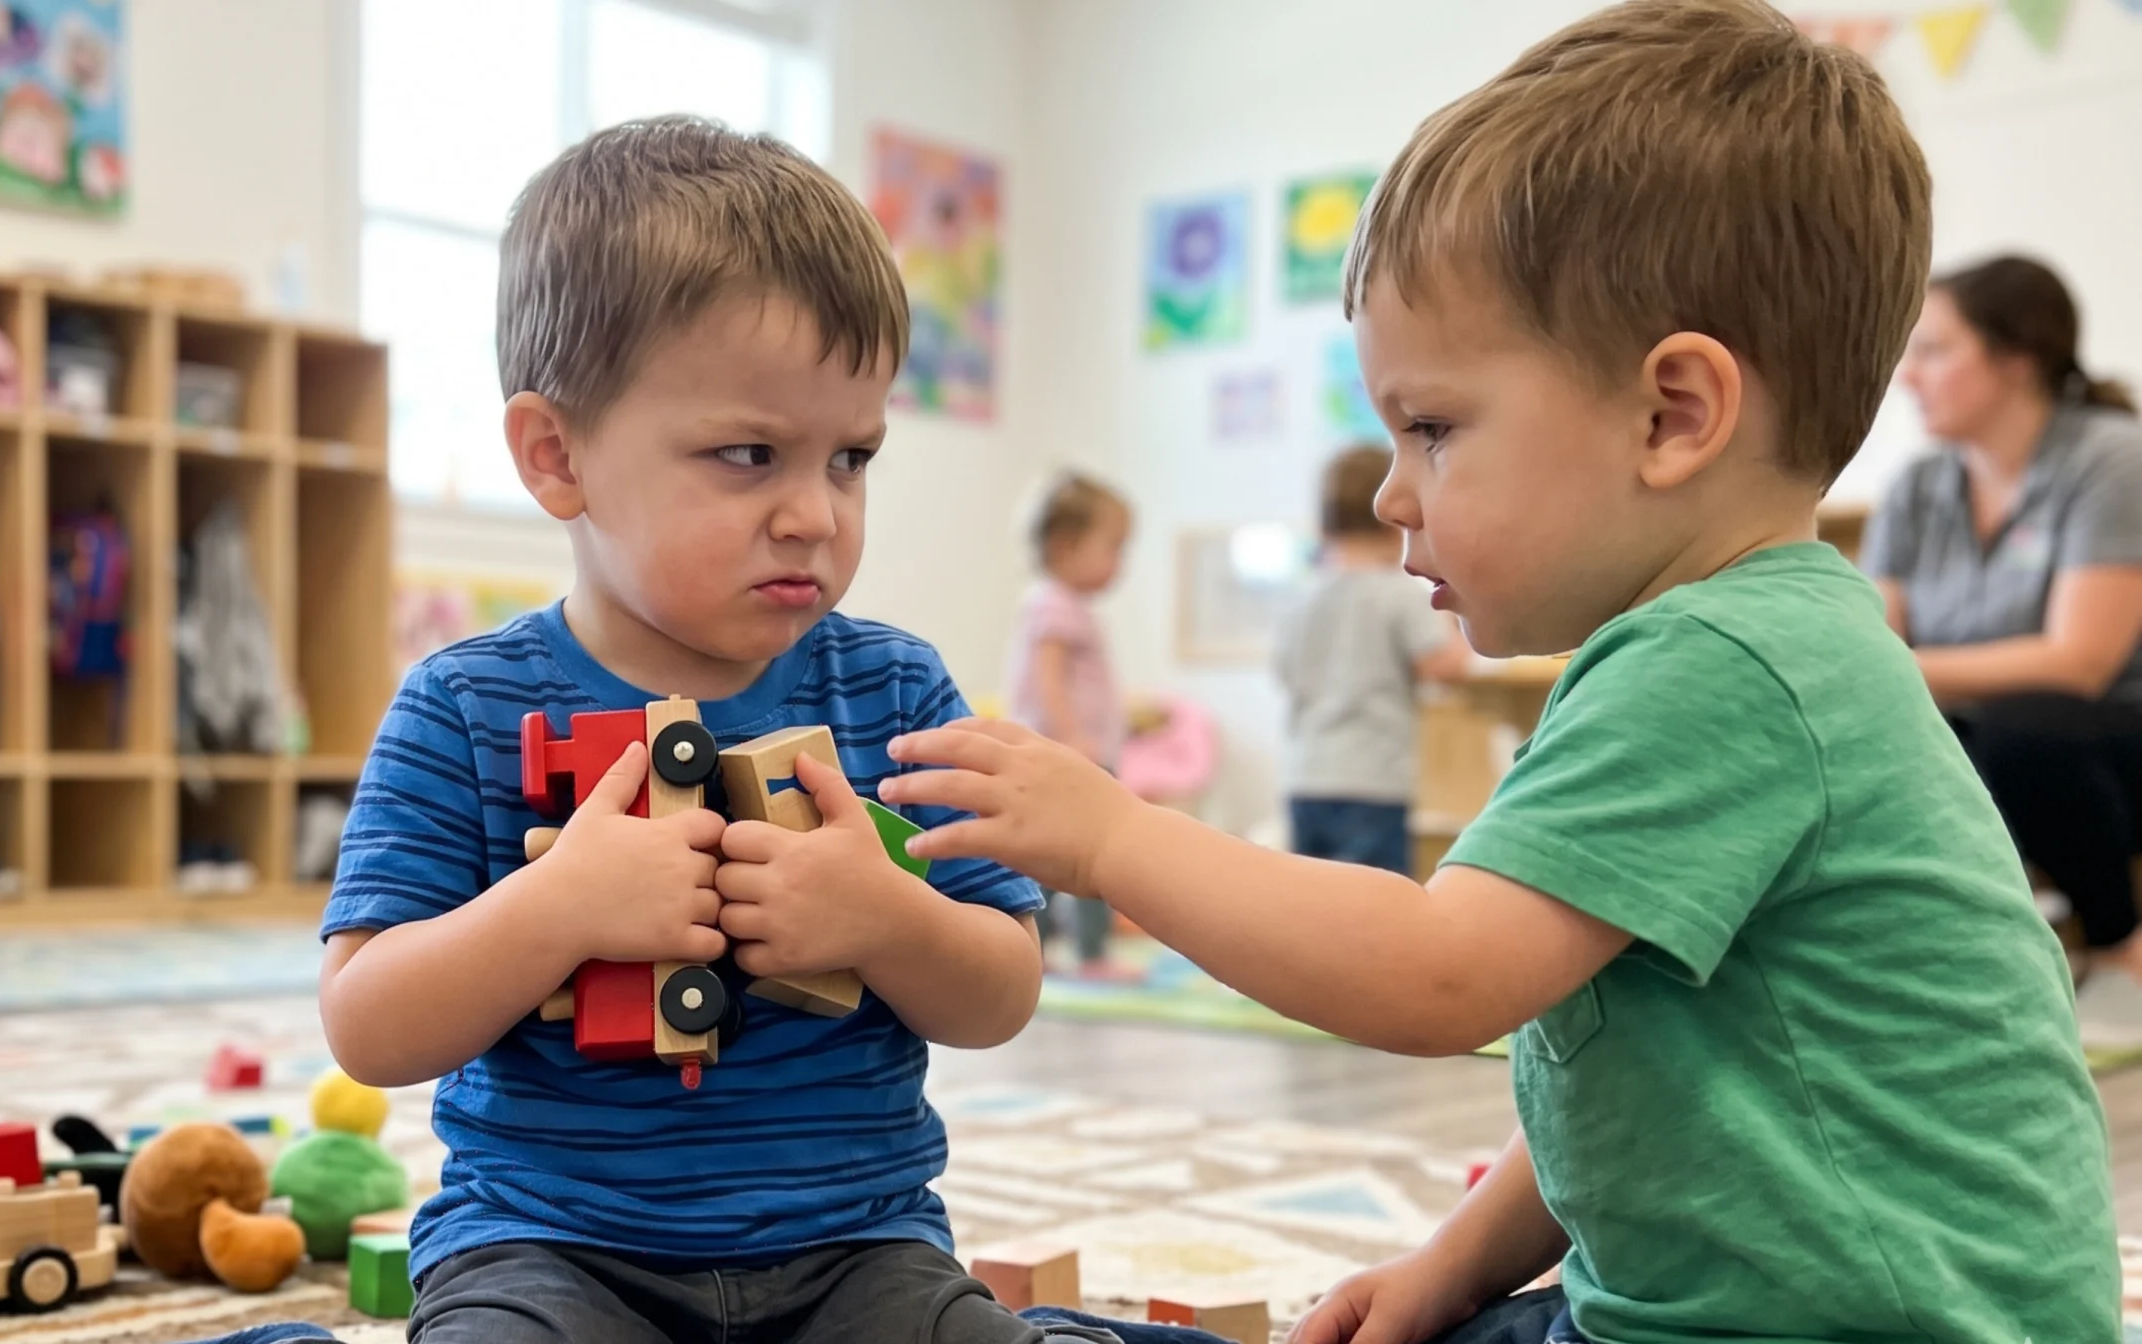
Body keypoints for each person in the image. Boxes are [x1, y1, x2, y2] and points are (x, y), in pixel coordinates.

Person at [880, 2, 2119, 1340]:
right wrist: (1455, 1266)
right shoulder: (1748, 643)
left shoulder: (1726, 663)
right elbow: (1646, 1084)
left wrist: (1115, 837)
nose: (1398, 496)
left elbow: (1431, 975)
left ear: (1672, 415)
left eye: (1433, 429)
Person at [313, 118, 1129, 1344]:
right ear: (556, 455)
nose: (813, 514)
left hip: (855, 1248)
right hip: (549, 1248)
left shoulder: (898, 694)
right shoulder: (460, 707)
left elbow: (1000, 988)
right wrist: (558, 908)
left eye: (850, 458)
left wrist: (887, 916)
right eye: (748, 455)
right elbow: (368, 1025)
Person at [1862, 255, 2142, 976]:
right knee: (1869, 743)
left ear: (2018, 358)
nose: (1906, 377)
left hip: (2103, 737)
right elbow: (1876, 641)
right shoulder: (1917, 487)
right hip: (1973, 728)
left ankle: (2118, 941)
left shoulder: (2111, 459)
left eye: (1932, 351)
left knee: (2021, 734)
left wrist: (1895, 672)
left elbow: (2081, 662)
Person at [1275, 444, 1471, 875]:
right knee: (1370, 909)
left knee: (1312, 904)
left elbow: (1286, 674)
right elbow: (1445, 664)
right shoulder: (1398, 594)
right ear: (1396, 522)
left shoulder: (1302, 598)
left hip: (1305, 775)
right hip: (1372, 780)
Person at [1004, 470, 1138, 978]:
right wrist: (1074, 735)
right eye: (1114, 547)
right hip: (1068, 752)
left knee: (1056, 858)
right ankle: (1091, 953)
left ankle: (1043, 946)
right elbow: (1047, 676)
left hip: (1073, 751)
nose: (1120, 564)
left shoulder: (1061, 604)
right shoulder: (1053, 603)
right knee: (1091, 853)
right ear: (1065, 545)